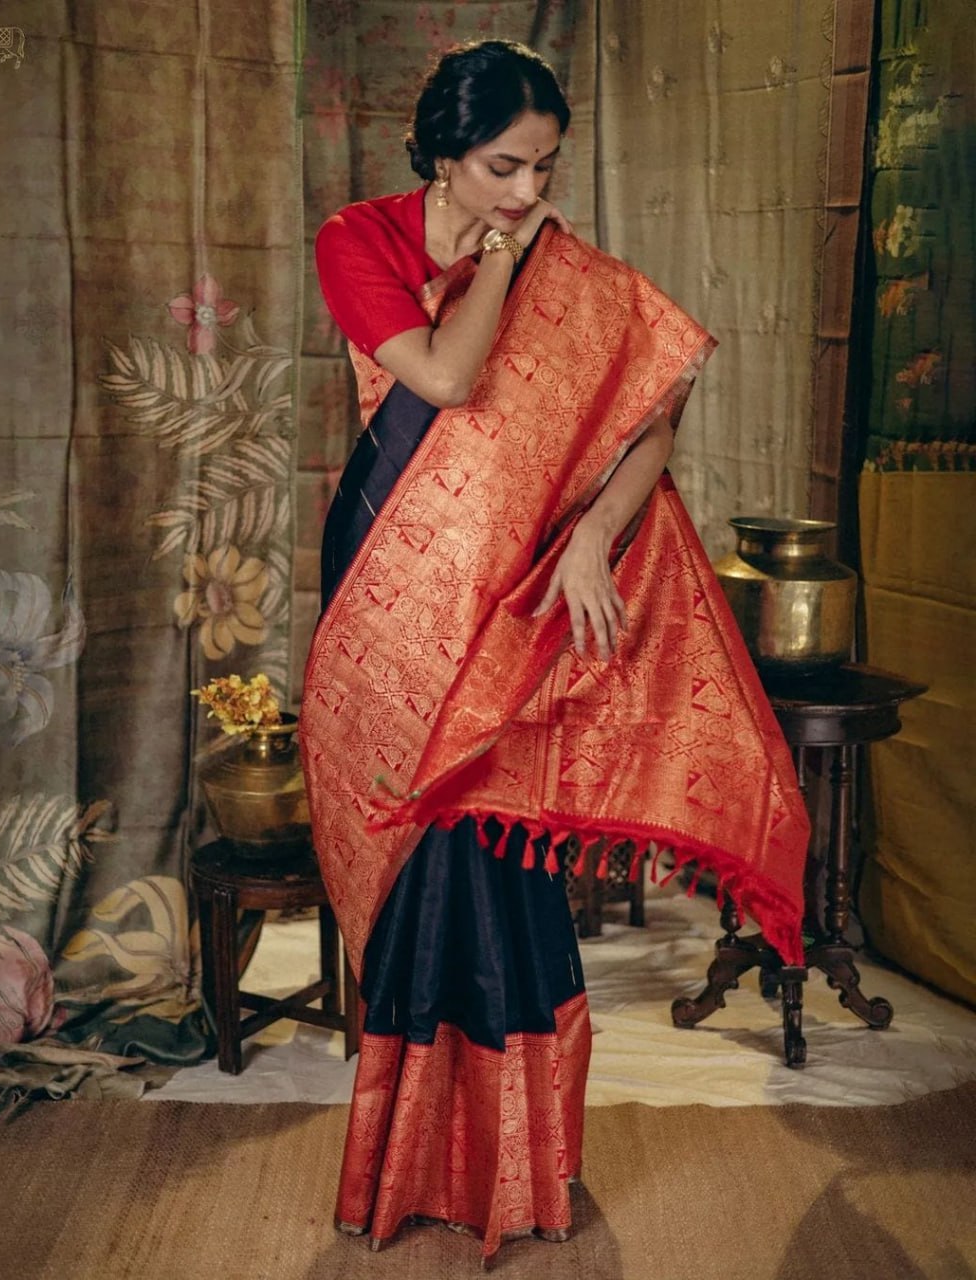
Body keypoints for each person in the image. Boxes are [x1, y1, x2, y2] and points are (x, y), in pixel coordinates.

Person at [299, 39, 810, 1268]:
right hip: (393, 576)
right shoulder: (360, 239)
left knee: (504, 860)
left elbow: (653, 419)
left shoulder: (568, 273)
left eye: (544, 168)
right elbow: (444, 376)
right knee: (415, 862)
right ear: (441, 154)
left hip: (520, 586)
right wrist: (496, 258)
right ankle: (404, 1166)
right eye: (502, 166)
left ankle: (516, 1172)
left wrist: (590, 535)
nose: (528, 192)